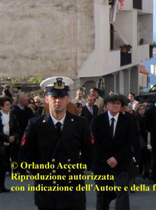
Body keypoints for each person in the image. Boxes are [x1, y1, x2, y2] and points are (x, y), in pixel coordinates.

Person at [19, 76, 94, 209]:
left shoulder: (80, 123)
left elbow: (90, 152)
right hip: (48, 189)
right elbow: (25, 155)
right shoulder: (35, 124)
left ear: (68, 99)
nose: (57, 101)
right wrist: (42, 173)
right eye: (54, 97)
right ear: (47, 99)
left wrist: (76, 169)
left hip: (72, 189)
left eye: (62, 97)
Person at [91, 94, 134, 210]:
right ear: (106, 105)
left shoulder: (128, 121)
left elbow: (129, 143)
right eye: (112, 103)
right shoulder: (97, 120)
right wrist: (107, 158)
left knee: (122, 193)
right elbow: (95, 143)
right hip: (101, 163)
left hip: (121, 163)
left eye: (118, 104)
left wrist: (117, 158)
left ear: (121, 106)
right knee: (103, 194)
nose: (115, 106)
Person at [0, 97, 19, 193]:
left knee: (4, 165)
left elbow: (16, 128)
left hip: (8, 144)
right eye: (7, 105)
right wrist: (7, 138)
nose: (9, 106)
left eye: (9, 104)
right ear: (1, 106)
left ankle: (2, 186)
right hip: (1, 143)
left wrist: (13, 136)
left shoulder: (12, 116)